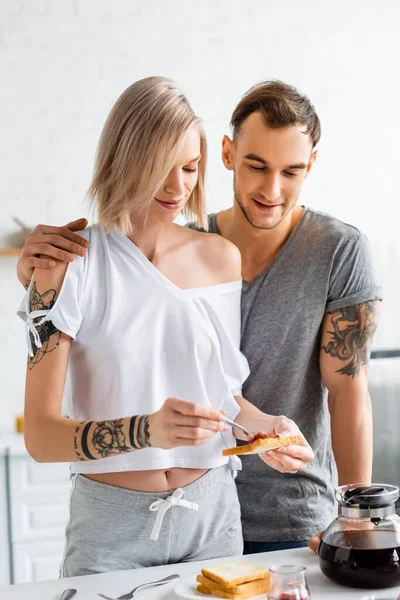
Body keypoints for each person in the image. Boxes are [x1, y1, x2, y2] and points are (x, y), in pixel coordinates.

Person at [17, 79, 381, 556]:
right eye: (161, 168)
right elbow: (42, 438)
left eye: (190, 168)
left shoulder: (221, 257)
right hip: (112, 524)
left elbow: (227, 398)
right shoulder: (65, 265)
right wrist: (147, 430)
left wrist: (271, 428)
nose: (178, 186)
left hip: (221, 512)